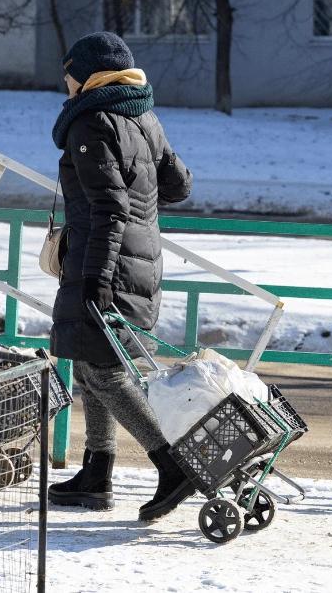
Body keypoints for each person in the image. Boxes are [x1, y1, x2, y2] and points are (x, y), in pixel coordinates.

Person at [47, 32, 194, 521]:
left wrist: (96, 279)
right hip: (140, 259)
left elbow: (109, 208)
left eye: (69, 73)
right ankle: (97, 471)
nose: (64, 82)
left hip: (105, 261)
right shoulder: (142, 115)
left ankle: (174, 464)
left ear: (90, 74)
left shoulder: (90, 121)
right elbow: (179, 185)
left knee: (107, 373)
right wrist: (141, 199)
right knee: (91, 364)